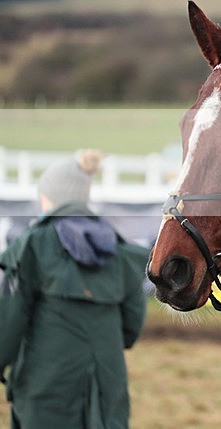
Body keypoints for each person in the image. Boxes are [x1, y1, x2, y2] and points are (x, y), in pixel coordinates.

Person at [0, 149, 149, 429]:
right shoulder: (120, 250)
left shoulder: (33, 245)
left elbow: (9, 318)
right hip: (106, 380)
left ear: (49, 197)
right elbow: (131, 328)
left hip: (47, 380)